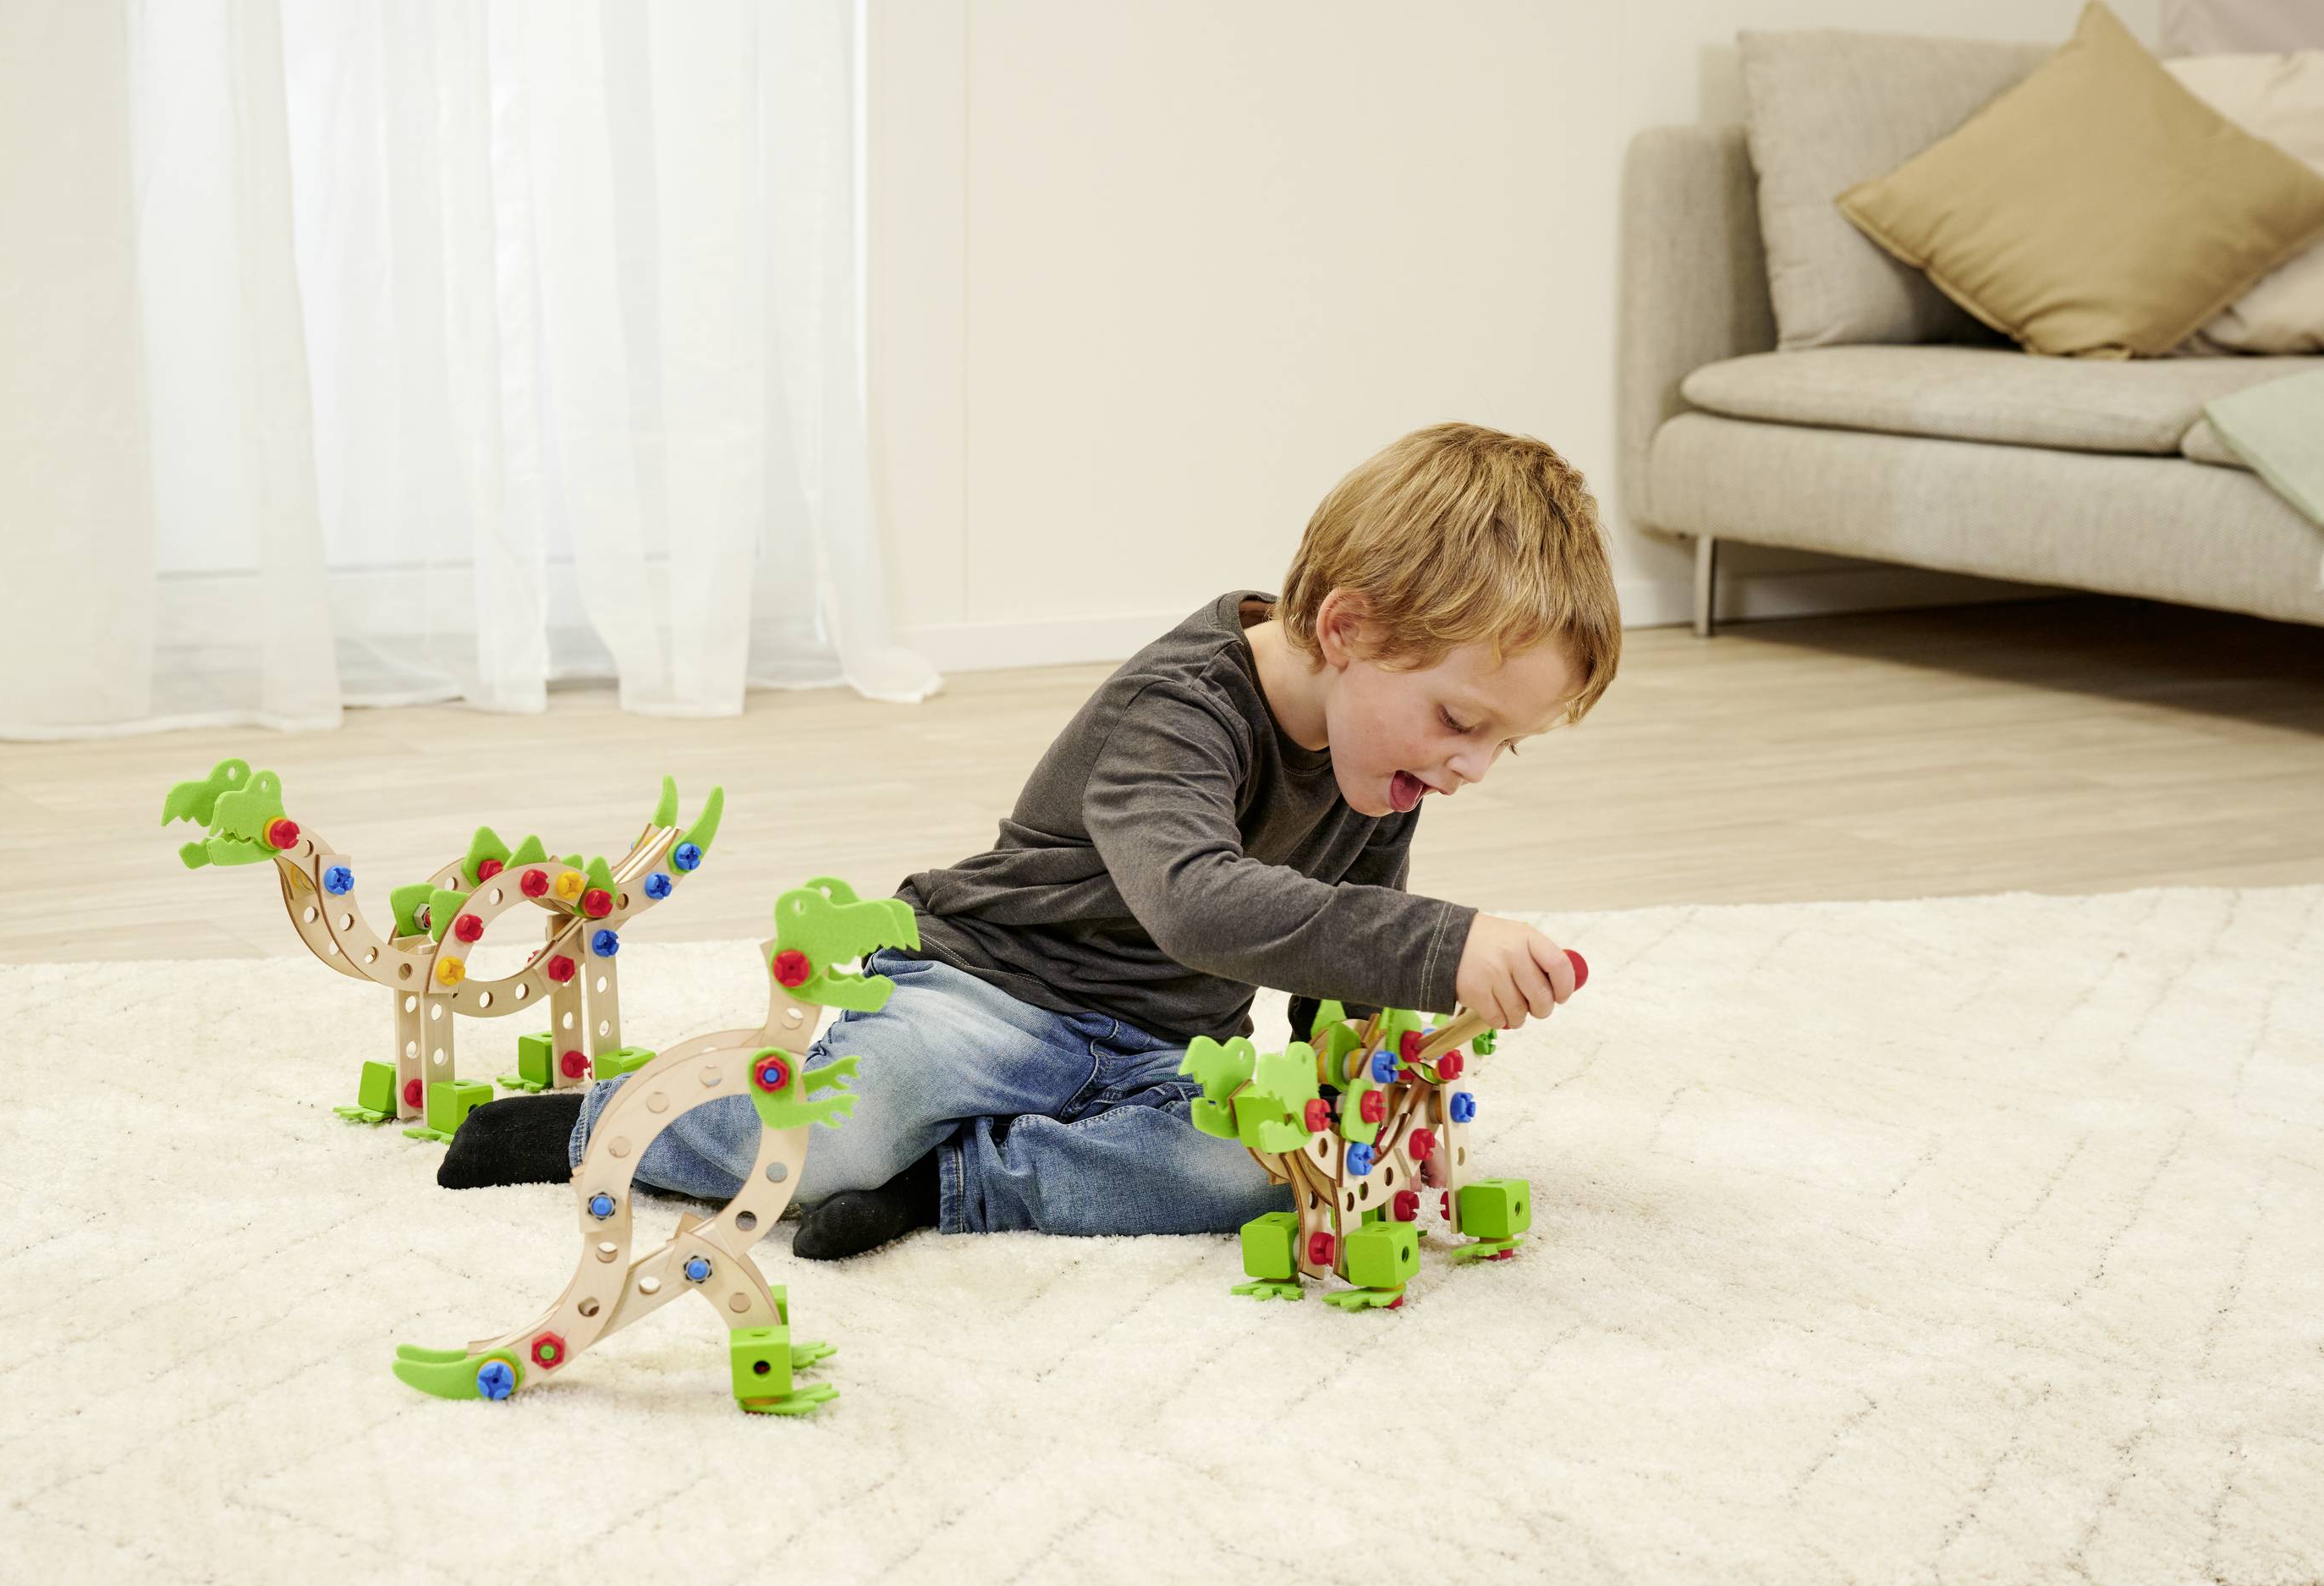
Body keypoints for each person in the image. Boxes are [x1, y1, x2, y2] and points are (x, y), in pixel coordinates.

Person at [438, 423, 1621, 1259]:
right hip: (986, 994)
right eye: (1463, 721)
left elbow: (1335, 965)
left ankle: (949, 1183)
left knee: (1267, 1176)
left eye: (1501, 747)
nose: (1467, 767)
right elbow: (1200, 905)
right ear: (1349, 629)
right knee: (836, 1131)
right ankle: (602, 1120)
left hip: (1163, 1052)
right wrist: (1443, 944)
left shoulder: (1389, 770)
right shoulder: (1182, 705)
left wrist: (1354, 1080)